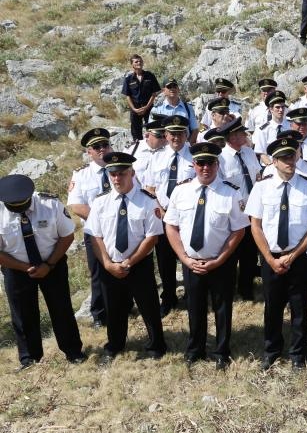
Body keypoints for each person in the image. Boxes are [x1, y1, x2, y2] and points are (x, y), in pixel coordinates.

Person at [164, 142, 248, 370]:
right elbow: (171, 226)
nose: (205, 168)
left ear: (217, 164)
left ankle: (222, 351)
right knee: (194, 307)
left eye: (210, 163)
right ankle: (195, 349)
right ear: (194, 164)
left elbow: (239, 230)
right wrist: (184, 258)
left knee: (223, 308)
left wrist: (220, 259)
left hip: (220, 262)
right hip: (191, 262)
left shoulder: (231, 193)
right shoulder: (180, 191)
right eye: (201, 163)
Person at [245, 136, 307, 370]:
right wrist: (270, 259)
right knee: (273, 306)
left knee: (300, 307)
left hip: (297, 257)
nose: (290, 161)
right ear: (275, 161)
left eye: (292, 156)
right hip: (271, 256)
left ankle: (298, 353)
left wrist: (293, 255)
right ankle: (271, 350)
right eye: (284, 158)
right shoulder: (262, 187)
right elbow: (255, 225)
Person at [85, 152, 167, 364]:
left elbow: (152, 237)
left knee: (148, 306)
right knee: (114, 309)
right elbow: (95, 236)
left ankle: (156, 345)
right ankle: (115, 345)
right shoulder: (100, 202)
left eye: (121, 173)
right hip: (110, 265)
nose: (116, 178)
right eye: (112, 174)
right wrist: (107, 263)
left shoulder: (147, 201)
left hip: (138, 264)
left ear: (132, 173)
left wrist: (129, 262)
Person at [0, 174, 86, 370]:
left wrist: (49, 264)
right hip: (16, 268)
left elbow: (67, 236)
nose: (19, 210)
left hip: (53, 264)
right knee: (22, 314)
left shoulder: (50, 204)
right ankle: (29, 358)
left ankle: (73, 351)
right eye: (14, 207)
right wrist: (24, 268)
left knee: (61, 309)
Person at [142, 116, 196, 317]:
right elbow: (150, 188)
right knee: (165, 261)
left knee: (189, 255)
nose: (176, 138)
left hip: (188, 215)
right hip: (163, 214)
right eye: (172, 133)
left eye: (180, 133)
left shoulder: (194, 156)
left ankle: (192, 296)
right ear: (165, 135)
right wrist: (162, 212)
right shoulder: (156, 157)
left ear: (186, 135)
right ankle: (169, 297)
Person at [67, 128, 113, 329]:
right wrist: (103, 221)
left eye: (105, 145)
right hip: (95, 231)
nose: (102, 149)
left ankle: (125, 305)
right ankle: (99, 314)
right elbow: (77, 206)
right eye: (96, 146)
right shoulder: (81, 174)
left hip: (121, 229)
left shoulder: (120, 168)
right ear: (89, 151)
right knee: (98, 272)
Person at [218, 117, 262, 301]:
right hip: (234, 214)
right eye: (241, 133)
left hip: (253, 212)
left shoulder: (249, 152)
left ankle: (246, 288)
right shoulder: (221, 158)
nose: (245, 135)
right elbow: (220, 187)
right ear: (232, 137)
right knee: (231, 253)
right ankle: (228, 288)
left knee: (250, 253)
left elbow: (258, 177)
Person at [122, 54, 160, 141]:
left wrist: (146, 107)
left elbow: (154, 93)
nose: (139, 63)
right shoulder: (128, 79)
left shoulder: (150, 76)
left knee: (152, 130)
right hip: (135, 109)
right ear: (132, 65)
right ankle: (137, 145)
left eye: (140, 61)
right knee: (136, 133)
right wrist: (134, 109)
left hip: (149, 108)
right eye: (136, 62)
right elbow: (128, 96)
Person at [150, 78, 199, 144]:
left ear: (178, 89)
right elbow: (152, 131)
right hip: (163, 147)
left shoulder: (188, 108)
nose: (172, 89)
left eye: (174, 86)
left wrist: (188, 146)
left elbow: (195, 130)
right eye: (169, 87)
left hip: (184, 145)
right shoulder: (157, 109)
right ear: (163, 90)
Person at [253, 91, 291, 163]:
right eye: (277, 107)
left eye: (283, 107)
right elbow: (262, 153)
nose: (281, 110)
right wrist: (272, 167)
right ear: (271, 109)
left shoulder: (290, 126)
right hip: (270, 165)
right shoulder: (264, 129)